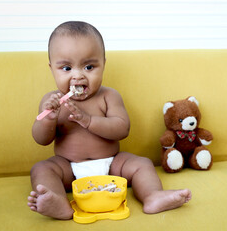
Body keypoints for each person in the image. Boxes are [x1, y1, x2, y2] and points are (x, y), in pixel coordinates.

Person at [27, 21, 192, 220]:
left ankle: (152, 196)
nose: (78, 75)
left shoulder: (109, 96)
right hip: (68, 167)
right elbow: (41, 139)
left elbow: (122, 128)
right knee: (42, 168)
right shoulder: (51, 102)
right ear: (52, 68)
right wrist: (48, 120)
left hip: (113, 165)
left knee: (142, 164)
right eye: (66, 68)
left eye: (89, 66)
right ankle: (58, 203)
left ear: (103, 64)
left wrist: (88, 121)